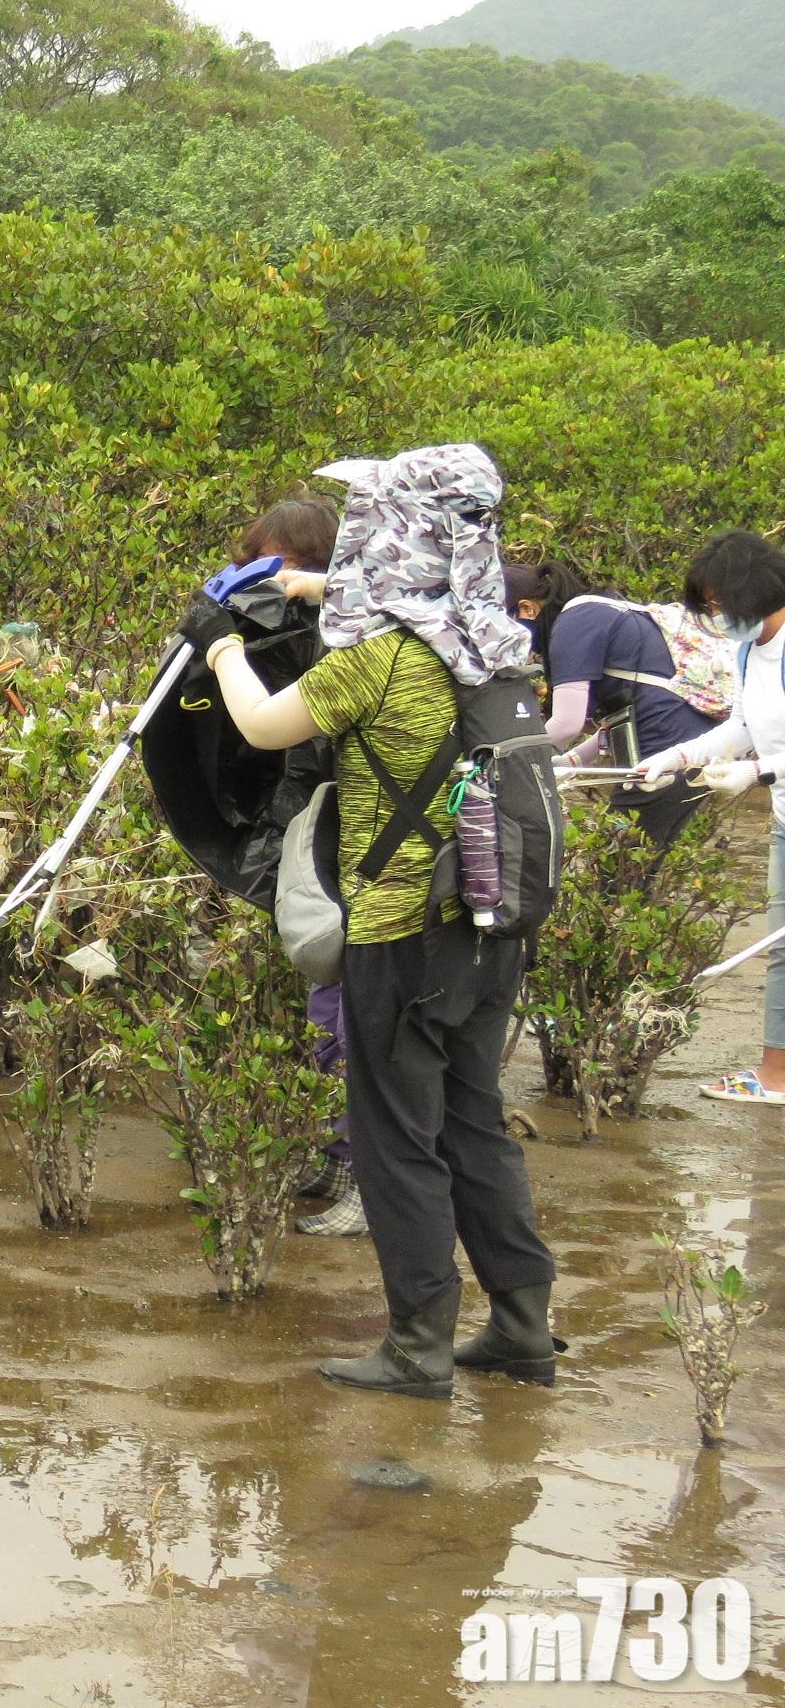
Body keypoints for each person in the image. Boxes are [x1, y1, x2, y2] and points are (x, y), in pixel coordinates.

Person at [177, 444, 559, 1398]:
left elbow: (264, 726)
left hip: (403, 929)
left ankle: (418, 1344)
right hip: (492, 922)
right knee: (476, 1123)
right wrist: (304, 586)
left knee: (395, 1135)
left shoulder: (383, 661)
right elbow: (384, 595)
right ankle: (521, 1325)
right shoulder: (496, 650)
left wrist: (220, 645)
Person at [236, 498, 369, 1240]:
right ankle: (336, 1154)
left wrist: (226, 655)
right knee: (326, 1007)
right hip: (317, 838)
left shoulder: (359, 647)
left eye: (280, 565)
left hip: (361, 852)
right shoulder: (311, 626)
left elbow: (274, 726)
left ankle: (365, 1177)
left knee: (355, 1019)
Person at [629, 530, 785, 1104]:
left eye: (720, 604)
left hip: (775, 787)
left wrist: (760, 771)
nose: (716, 615)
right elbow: (741, 727)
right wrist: (678, 757)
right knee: (783, 951)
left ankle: (775, 1078)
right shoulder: (749, 651)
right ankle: (777, 1077)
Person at [504, 559, 719, 845]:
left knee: (616, 868)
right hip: (692, 745)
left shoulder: (574, 622)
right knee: (636, 867)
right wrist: (572, 759)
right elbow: (633, 707)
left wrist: (504, 760)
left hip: (663, 749)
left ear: (527, 609)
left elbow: (568, 723)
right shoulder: (596, 609)